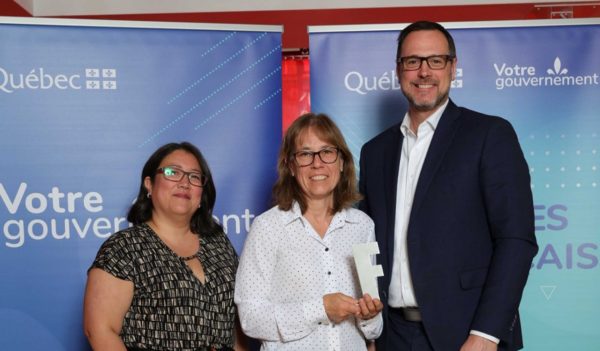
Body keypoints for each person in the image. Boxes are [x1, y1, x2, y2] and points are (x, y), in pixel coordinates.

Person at [358, 21, 538, 351]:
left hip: (466, 335)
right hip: (391, 336)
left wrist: (486, 334)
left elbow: (516, 240)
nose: (423, 72)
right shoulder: (375, 152)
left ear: (452, 67)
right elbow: (366, 242)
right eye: (413, 61)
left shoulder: (489, 135)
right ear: (399, 70)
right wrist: (369, 331)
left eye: (435, 60)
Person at [235, 113, 383, 350]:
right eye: (305, 154)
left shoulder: (362, 226)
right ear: (291, 166)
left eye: (327, 152)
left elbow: (373, 330)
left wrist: (369, 315)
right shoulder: (268, 228)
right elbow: (251, 319)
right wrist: (321, 309)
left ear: (342, 162)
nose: (317, 163)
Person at [84, 142, 245, 351]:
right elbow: (99, 330)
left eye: (194, 176)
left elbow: (237, 329)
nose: (184, 183)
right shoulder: (124, 247)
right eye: (172, 172)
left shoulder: (219, 243)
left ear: (201, 194)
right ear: (149, 184)